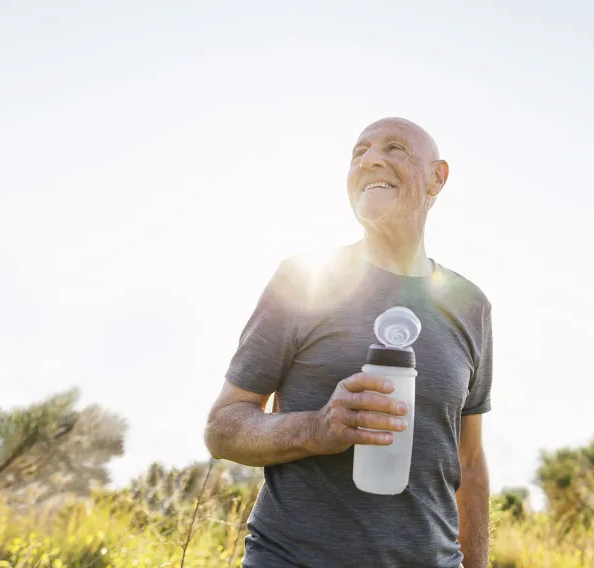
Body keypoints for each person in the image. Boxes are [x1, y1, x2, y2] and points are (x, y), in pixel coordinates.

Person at [204, 117, 493, 568]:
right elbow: (223, 427)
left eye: (394, 148)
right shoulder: (304, 279)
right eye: (359, 152)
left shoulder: (470, 305)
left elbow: (470, 462)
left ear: (438, 177)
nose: (371, 159)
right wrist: (316, 429)